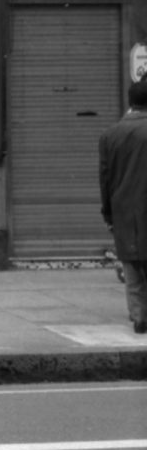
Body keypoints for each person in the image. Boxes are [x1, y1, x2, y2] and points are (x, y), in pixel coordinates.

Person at [98, 77, 147, 334]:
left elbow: (105, 179)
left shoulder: (110, 135)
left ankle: (139, 318)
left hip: (124, 211)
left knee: (131, 267)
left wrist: (108, 212)